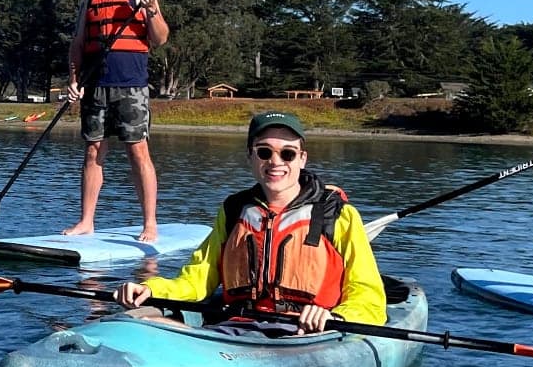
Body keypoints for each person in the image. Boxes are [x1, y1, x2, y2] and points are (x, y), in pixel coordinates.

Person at [117, 112, 385, 334]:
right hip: (237, 327)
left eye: (288, 154)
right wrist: (150, 288)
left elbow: (368, 296)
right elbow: (197, 280)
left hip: (307, 334)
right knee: (139, 320)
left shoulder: (338, 214)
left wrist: (337, 316)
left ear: (302, 158)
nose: (275, 162)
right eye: (264, 152)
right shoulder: (234, 210)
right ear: (251, 157)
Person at [63, 0, 170, 242]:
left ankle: (150, 224)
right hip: (95, 85)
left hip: (131, 86)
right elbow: (78, 43)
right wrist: (74, 80)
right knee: (93, 150)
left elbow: (160, 38)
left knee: (138, 151)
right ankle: (86, 221)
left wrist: (151, 11)